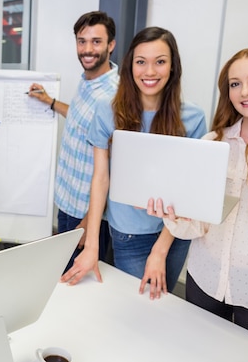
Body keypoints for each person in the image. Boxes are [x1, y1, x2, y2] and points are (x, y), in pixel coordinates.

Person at [151, 44, 248, 349]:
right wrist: (173, 214)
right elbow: (197, 225)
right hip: (205, 279)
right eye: (235, 84)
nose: (245, 91)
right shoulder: (212, 142)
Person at [61, 26, 206, 299]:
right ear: (130, 66)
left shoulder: (194, 117)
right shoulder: (108, 110)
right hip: (129, 233)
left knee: (159, 303)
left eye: (160, 62)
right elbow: (100, 178)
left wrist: (161, 249)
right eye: (141, 62)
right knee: (139, 305)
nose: (150, 71)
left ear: (173, 67)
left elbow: (191, 190)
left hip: (173, 236)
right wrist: (92, 245)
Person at [27, 11, 119, 271]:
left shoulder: (115, 96)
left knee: (80, 283)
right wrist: (51, 102)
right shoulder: (88, 81)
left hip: (86, 213)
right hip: (67, 202)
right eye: (82, 41)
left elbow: (116, 166)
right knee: (64, 275)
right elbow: (83, 120)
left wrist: (91, 219)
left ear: (111, 45)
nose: (87, 49)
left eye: (96, 41)